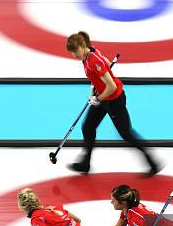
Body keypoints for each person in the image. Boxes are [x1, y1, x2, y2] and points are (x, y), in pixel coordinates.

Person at [66, 31, 161, 177]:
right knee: (88, 127)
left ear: (83, 45)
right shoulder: (87, 54)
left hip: (114, 100)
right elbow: (99, 73)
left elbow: (112, 87)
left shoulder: (94, 60)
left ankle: (153, 162)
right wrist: (94, 89)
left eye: (76, 51)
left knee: (126, 133)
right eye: (72, 53)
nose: (74, 55)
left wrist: (98, 99)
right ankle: (85, 164)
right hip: (103, 97)